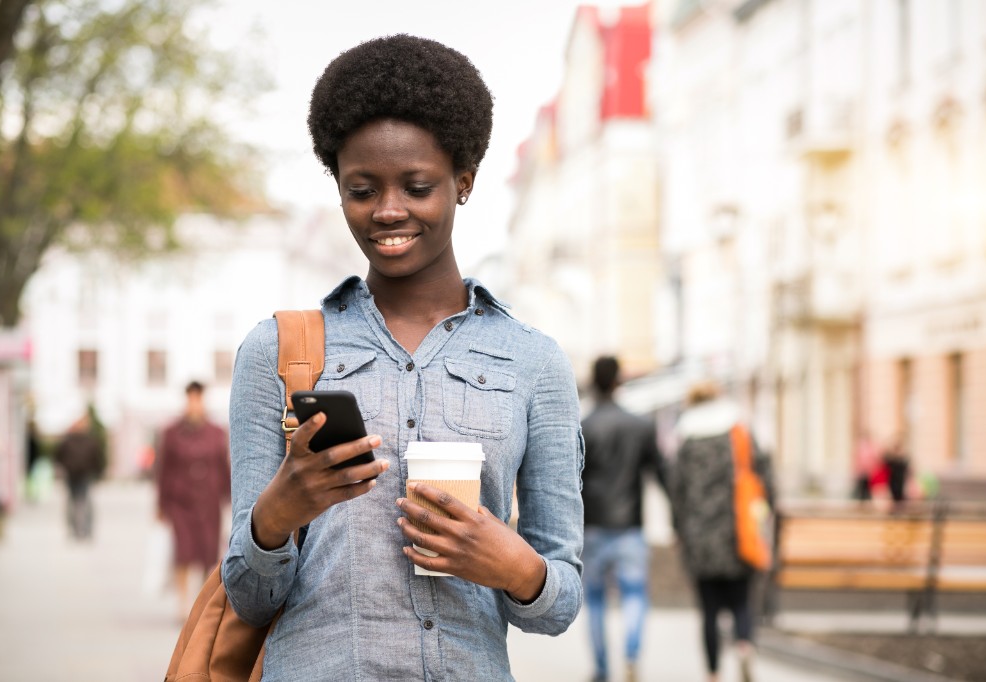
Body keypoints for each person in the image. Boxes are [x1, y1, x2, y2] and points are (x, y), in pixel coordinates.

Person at [220, 35, 584, 680]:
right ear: (337, 185)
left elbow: (557, 603)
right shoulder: (277, 352)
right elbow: (249, 596)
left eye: (417, 186)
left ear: (463, 182)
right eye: (362, 189)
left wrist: (512, 564)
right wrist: (279, 511)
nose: (389, 211)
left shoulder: (534, 363)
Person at [670, 381, 775, 682]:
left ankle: (713, 674)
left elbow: (676, 490)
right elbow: (764, 473)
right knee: (742, 601)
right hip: (738, 531)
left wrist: (678, 528)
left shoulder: (686, 438)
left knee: (709, 611)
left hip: (699, 536)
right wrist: (766, 513)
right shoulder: (738, 431)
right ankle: (744, 646)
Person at [580, 355, 666, 682]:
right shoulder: (641, 426)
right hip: (630, 526)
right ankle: (631, 653)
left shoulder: (583, 427)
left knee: (597, 600)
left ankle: (602, 669)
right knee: (634, 594)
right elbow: (661, 474)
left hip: (593, 527)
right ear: (619, 381)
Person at [157, 381, 231, 618]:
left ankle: (201, 602)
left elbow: (224, 467)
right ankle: (182, 601)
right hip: (181, 501)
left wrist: (231, 498)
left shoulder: (216, 432)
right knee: (184, 551)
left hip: (209, 502)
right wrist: (161, 504)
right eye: (190, 398)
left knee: (208, 552)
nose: (194, 404)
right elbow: (163, 470)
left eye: (198, 398)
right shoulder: (171, 432)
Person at [54, 412, 105, 540]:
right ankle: (73, 529)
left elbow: (97, 458)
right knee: (73, 503)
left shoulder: (89, 441)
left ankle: (86, 530)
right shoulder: (68, 440)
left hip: (84, 475)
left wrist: (98, 472)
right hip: (72, 475)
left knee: (85, 502)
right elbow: (59, 456)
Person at [851, 430, 881, 502]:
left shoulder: (872, 446)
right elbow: (857, 459)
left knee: (869, 491)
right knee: (861, 492)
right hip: (862, 473)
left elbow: (875, 459)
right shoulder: (860, 446)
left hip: (870, 473)